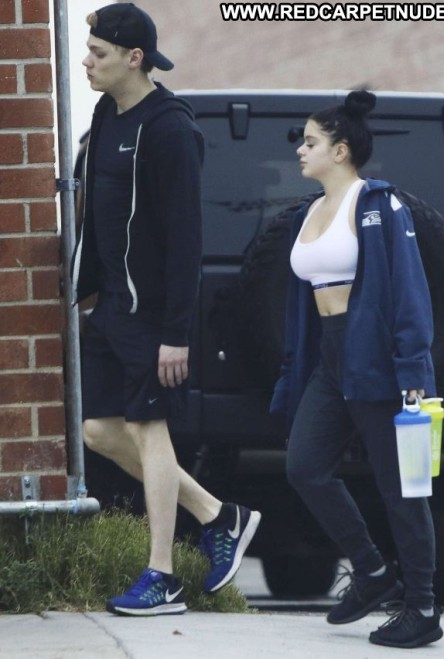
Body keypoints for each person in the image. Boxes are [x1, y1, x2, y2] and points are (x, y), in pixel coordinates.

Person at [71, 3, 260, 616]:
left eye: (98, 53)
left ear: (134, 58)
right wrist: (88, 289)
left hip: (153, 316)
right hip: (110, 309)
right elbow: (101, 213)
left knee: (150, 432)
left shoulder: (171, 129)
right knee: (97, 431)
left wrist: (175, 332)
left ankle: (163, 577)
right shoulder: (106, 114)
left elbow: (185, 239)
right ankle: (217, 514)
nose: (86, 62)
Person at [270, 90, 443, 648]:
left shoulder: (379, 205)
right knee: (304, 467)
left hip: (378, 359)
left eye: (311, 142)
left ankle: (423, 606)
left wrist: (412, 369)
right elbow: (300, 304)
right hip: (330, 358)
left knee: (402, 487)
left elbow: (408, 288)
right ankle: (372, 571)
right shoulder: (307, 212)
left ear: (340, 150)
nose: (301, 150)